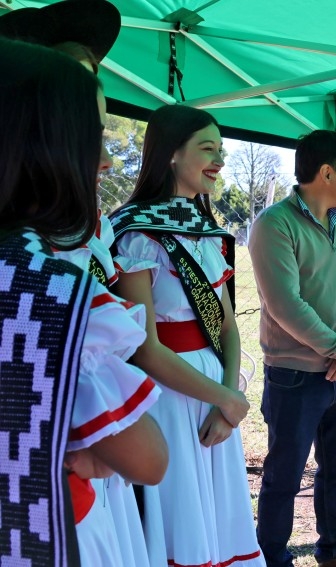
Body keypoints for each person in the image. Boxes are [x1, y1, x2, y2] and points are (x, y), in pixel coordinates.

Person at [0, 38, 167, 567]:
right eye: (88, 139)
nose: (99, 162)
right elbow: (148, 458)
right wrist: (68, 447)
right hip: (36, 535)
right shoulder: (47, 293)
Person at [110, 104, 264, 567]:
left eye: (221, 149)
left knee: (218, 515)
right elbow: (145, 348)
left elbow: (227, 324)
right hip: (168, 396)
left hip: (215, 393)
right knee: (180, 517)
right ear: (172, 154)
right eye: (207, 148)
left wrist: (227, 398)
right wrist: (225, 397)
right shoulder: (135, 233)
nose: (218, 160)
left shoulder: (209, 231)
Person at [249, 130, 336, 567]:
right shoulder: (273, 224)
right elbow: (286, 305)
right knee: (284, 475)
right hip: (295, 375)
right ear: (326, 173)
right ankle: (271, 558)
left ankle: (335, 549)